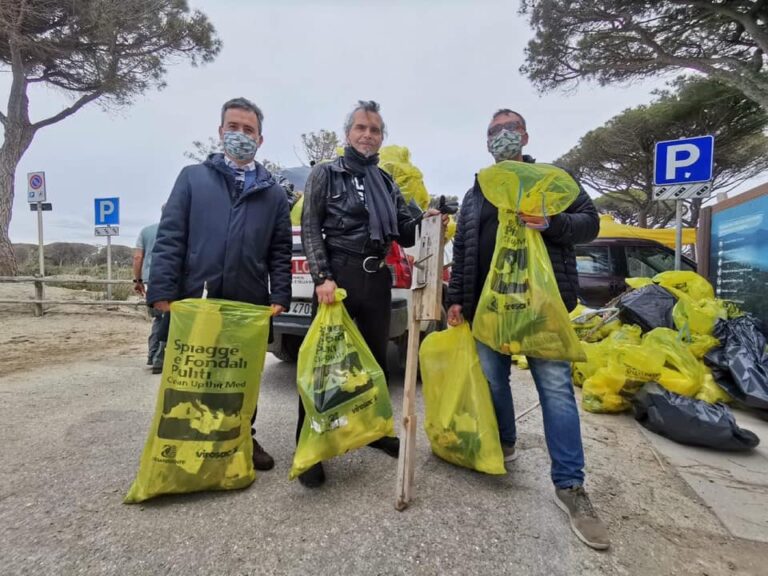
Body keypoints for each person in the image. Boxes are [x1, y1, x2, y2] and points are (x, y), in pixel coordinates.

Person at [446, 109, 609, 550]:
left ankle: (571, 486)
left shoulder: (550, 180)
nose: (502, 137)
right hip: (488, 307)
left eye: (509, 129)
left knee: (555, 390)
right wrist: (455, 298)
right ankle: (504, 442)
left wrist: (552, 224)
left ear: (525, 135)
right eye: (494, 132)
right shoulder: (478, 189)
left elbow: (590, 224)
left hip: (542, 308)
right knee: (492, 381)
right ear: (486, 142)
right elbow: (463, 247)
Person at [299, 100, 442, 488]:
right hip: (338, 277)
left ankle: (375, 430)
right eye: (361, 127)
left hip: (376, 278)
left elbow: (406, 230)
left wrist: (427, 218)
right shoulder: (325, 173)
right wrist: (322, 277)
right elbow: (310, 226)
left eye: (375, 130)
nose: (367, 134)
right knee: (325, 367)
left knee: (375, 362)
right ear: (348, 133)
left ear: (381, 138)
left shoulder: (386, 182)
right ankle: (309, 444)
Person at [146, 97, 292, 472]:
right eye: (234, 127)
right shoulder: (193, 178)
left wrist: (280, 295)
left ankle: (241, 434)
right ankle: (188, 441)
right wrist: (161, 291)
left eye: (248, 130)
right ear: (220, 131)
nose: (240, 135)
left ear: (260, 139)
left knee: (240, 374)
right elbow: (171, 237)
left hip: (249, 301)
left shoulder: (273, 193)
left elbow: (279, 250)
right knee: (196, 372)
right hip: (197, 296)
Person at [133, 207, 165, 367]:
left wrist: (137, 280)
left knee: (158, 318)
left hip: (150, 279)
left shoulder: (146, 231)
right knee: (171, 317)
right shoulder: (182, 230)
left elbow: (138, 257)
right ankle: (161, 356)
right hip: (173, 279)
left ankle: (152, 354)